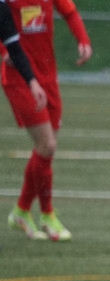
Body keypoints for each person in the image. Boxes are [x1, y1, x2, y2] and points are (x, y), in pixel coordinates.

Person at [3, 0, 92, 243]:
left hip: (47, 76)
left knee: (45, 149)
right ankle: (47, 215)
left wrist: (83, 40)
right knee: (47, 145)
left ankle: (21, 211)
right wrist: (3, 51)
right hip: (20, 77)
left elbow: (69, 11)